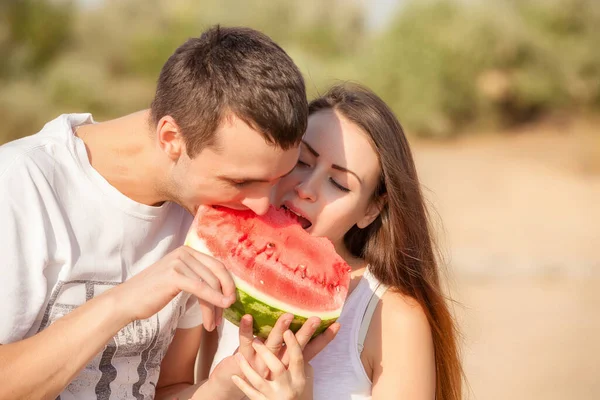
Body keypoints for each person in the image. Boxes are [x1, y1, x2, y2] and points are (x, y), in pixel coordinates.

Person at [0, 25, 336, 400]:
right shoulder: (20, 185)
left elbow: (166, 389)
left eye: (276, 180)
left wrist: (225, 386)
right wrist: (121, 303)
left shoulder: (196, 213)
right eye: (241, 182)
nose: (262, 206)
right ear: (171, 139)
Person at [206, 83, 464, 400]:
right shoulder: (217, 269)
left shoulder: (392, 317)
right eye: (301, 161)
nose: (307, 188)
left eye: (339, 184)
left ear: (371, 209)